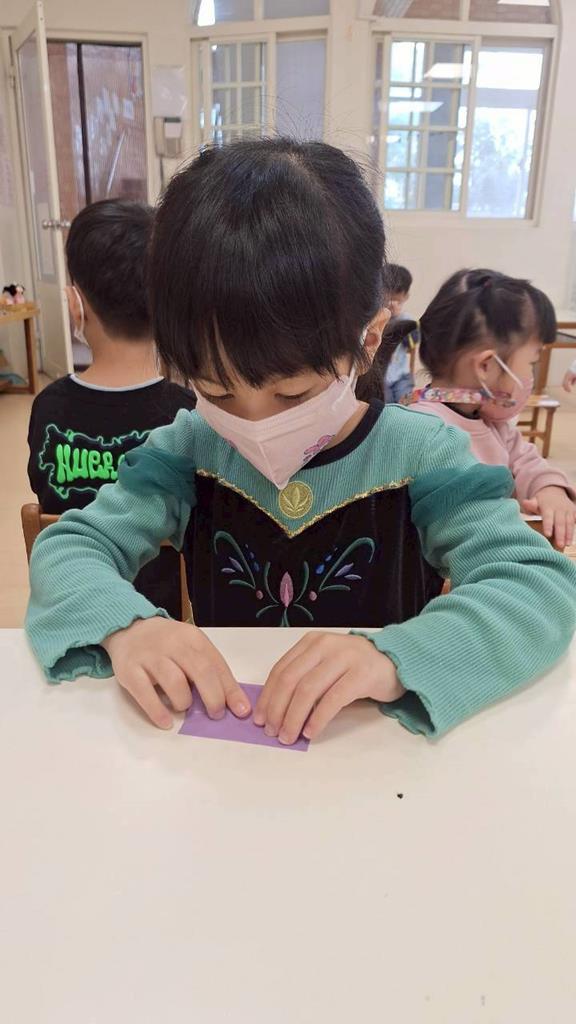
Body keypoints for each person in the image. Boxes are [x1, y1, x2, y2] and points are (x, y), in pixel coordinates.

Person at [26, 140, 576, 745]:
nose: (255, 421)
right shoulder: (187, 447)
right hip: (231, 747)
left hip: (370, 752)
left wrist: (396, 655)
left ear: (369, 341)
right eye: (216, 389)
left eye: (292, 394)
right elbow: (70, 546)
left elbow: (537, 587)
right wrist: (126, 626)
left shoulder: (425, 455)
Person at [27, 198, 196, 617]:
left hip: (74, 609)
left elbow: (42, 493)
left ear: (76, 304)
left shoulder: (48, 408)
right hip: (166, 620)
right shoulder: (188, 414)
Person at [410, 269, 576, 550]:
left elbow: (528, 462)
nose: (531, 375)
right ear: (486, 366)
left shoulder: (493, 424)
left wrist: (550, 489)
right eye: (532, 363)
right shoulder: (425, 430)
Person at [382, 264, 417, 404]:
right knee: (385, 403)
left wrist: (399, 322)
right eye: (388, 300)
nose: (392, 304)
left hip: (402, 375)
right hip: (381, 376)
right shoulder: (376, 317)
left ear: (406, 297)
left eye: (397, 301)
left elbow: (412, 347)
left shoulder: (407, 320)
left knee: (406, 401)